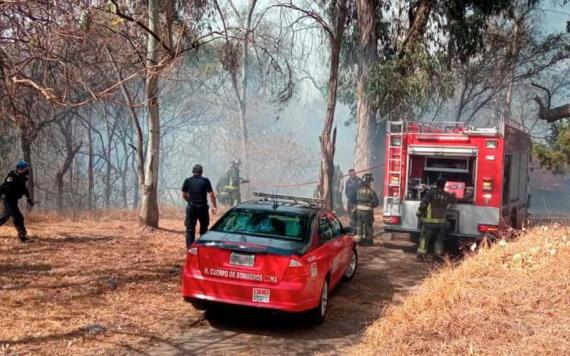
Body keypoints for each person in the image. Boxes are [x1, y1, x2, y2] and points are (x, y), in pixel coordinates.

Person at [416, 177, 456, 261]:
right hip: (442, 224)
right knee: (439, 240)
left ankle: (421, 256)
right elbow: (453, 200)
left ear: (436, 184)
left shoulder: (430, 193)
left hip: (429, 223)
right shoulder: (447, 195)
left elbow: (423, 204)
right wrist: (453, 195)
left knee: (424, 239)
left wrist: (419, 212)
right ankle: (438, 256)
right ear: (444, 185)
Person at [181, 164, 217, 249]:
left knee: (190, 229)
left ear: (193, 172)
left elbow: (184, 194)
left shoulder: (187, 181)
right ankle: (202, 248)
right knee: (204, 229)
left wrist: (189, 201)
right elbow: (211, 194)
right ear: (201, 172)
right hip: (203, 208)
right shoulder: (205, 181)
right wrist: (214, 206)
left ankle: (190, 249)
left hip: (192, 207)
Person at [0, 160, 34, 243]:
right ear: (19, 168)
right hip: (8, 200)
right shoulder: (12, 177)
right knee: (18, 217)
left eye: (27, 168)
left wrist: (29, 198)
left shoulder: (21, 177)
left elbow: (24, 189)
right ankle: (22, 236)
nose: (26, 170)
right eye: (25, 168)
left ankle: (22, 235)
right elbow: (3, 188)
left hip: (13, 201)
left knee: (6, 217)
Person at [355, 173, 379, 246]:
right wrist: (371, 204)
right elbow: (376, 203)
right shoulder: (371, 192)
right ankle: (368, 241)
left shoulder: (358, 190)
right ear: (368, 182)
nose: (370, 183)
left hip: (358, 211)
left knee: (359, 225)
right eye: (370, 182)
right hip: (367, 212)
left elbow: (354, 199)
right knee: (368, 226)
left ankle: (359, 240)